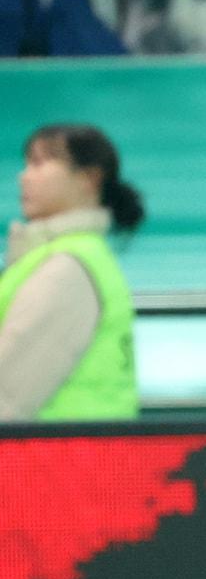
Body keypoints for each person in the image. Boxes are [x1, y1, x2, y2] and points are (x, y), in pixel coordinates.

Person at [0, 122, 143, 420]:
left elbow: (8, 393)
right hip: (77, 454)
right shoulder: (76, 257)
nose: (24, 176)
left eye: (40, 163)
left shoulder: (67, 268)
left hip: (57, 458)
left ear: (89, 179)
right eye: (27, 164)